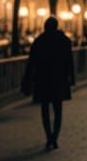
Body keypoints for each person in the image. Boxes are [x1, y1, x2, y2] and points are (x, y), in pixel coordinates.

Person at [23, 16, 75, 150]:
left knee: (45, 109)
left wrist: (28, 79)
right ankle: (54, 138)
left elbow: (31, 62)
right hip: (59, 79)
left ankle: (48, 136)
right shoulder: (64, 41)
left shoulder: (39, 41)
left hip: (43, 79)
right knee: (58, 110)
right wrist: (71, 78)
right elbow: (69, 62)